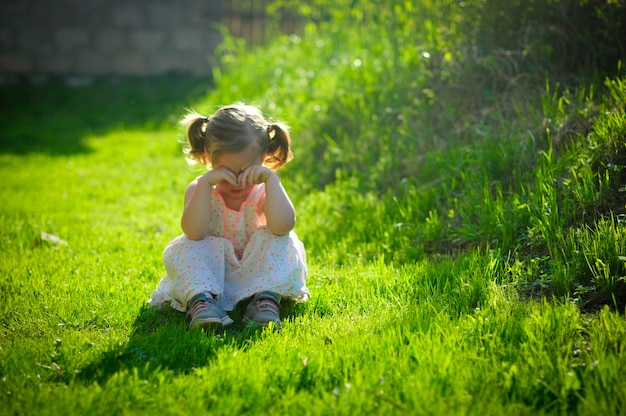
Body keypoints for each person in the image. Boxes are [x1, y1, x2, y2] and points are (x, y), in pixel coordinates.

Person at [150, 103, 310, 331]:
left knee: (284, 240)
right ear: (207, 157)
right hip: (211, 272)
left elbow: (283, 225)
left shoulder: (263, 191)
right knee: (184, 246)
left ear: (264, 157)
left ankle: (265, 300)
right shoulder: (201, 189)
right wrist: (206, 183)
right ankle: (203, 301)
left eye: (246, 170)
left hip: (257, 272)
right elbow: (195, 233)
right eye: (225, 170)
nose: (237, 179)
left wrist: (272, 180)